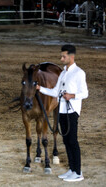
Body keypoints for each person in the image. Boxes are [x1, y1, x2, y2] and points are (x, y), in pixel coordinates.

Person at [36, 45, 88, 182]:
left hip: (72, 111)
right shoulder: (63, 73)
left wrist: (72, 95)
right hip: (62, 111)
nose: (61, 59)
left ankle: (78, 172)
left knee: (72, 141)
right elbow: (54, 92)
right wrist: (40, 88)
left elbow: (85, 93)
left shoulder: (79, 73)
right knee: (65, 140)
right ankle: (72, 170)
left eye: (63, 56)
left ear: (71, 57)